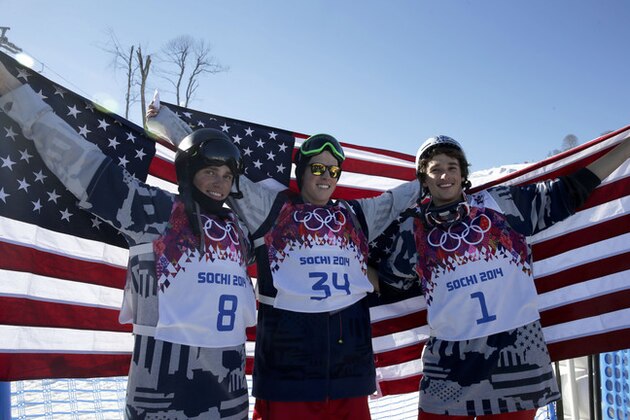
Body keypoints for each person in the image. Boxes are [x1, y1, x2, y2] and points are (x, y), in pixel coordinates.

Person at [0, 61, 257, 419]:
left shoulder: (239, 231)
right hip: (164, 390)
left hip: (229, 393)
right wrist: (17, 95)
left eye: (227, 175)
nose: (219, 182)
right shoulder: (158, 212)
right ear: (188, 173)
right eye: (209, 172)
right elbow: (85, 164)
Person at [147, 105, 421, 419]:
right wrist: (166, 122)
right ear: (301, 171)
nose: (325, 176)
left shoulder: (356, 215)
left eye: (333, 171)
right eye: (317, 168)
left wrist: (429, 176)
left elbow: (398, 199)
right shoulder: (271, 209)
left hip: (350, 374)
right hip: (286, 374)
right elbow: (213, 159)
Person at [374, 134, 630, 419]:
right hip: (449, 363)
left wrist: (627, 145)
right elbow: (388, 282)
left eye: (452, 167)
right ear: (423, 177)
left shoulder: (501, 203)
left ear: (463, 174)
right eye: (435, 169)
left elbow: (568, 192)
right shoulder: (413, 228)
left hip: (517, 355)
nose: (444, 175)